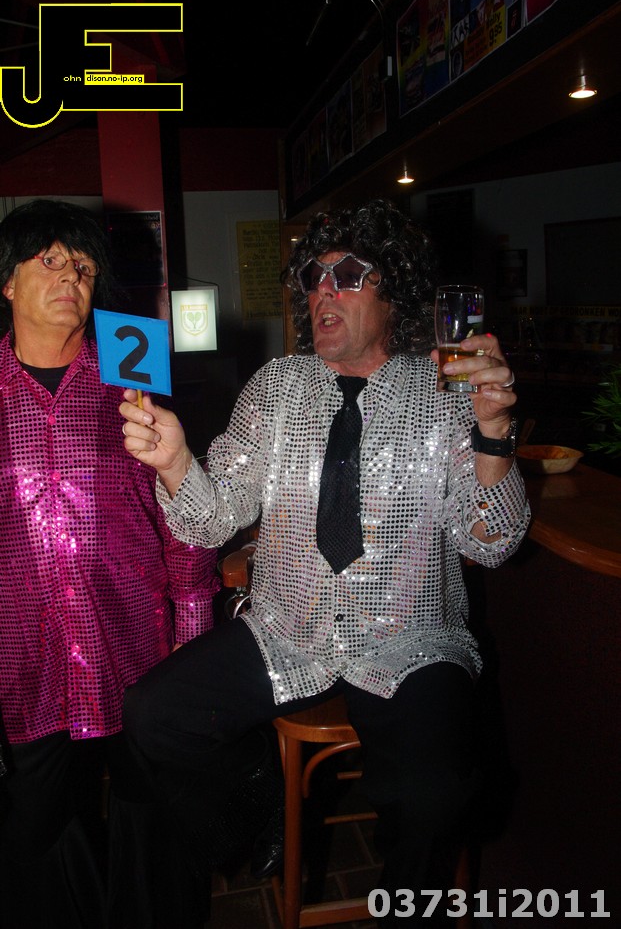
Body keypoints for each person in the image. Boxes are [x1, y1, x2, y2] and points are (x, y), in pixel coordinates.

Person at [120, 197, 531, 927]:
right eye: (313, 276)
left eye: (348, 274)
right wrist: (177, 463)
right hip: (287, 630)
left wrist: (493, 433)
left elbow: (491, 544)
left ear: (394, 290)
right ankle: (258, 811)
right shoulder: (276, 388)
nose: (323, 290)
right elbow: (213, 519)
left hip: (410, 639)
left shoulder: (447, 395)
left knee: (435, 790)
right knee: (154, 717)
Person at [0, 198, 221, 929]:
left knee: (149, 825)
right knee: (35, 833)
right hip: (22, 662)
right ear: (8, 281)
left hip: (134, 649)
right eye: (51, 260)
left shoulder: (132, 378)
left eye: (85, 267)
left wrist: (192, 638)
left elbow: (181, 514)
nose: (72, 277)